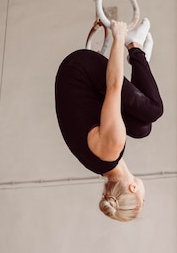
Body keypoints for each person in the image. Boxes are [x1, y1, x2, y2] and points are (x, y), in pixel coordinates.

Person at [55, 18, 163, 221]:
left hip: (79, 69)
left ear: (132, 188)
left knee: (154, 110)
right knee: (142, 128)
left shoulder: (112, 146)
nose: (145, 195)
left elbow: (114, 85)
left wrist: (119, 37)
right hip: (79, 83)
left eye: (143, 198)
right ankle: (140, 62)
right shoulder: (101, 165)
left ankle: (135, 46)